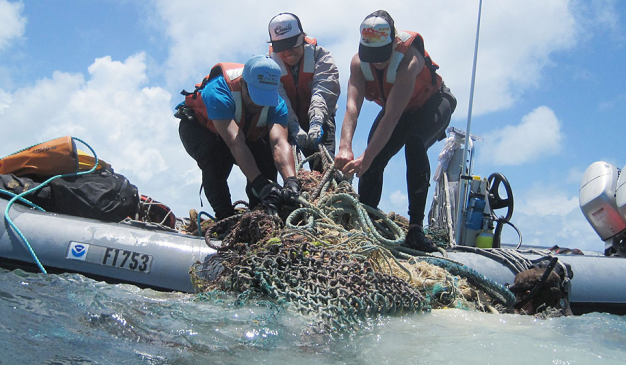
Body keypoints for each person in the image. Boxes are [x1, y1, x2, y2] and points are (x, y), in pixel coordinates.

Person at [335, 10, 457, 251]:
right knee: (373, 154)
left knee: (413, 142)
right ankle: (367, 223)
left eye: (382, 53)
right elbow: (351, 108)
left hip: (432, 102)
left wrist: (365, 158)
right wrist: (345, 146)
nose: (377, 61)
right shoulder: (358, 64)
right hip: (399, 109)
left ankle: (415, 230)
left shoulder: (410, 59)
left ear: (393, 41)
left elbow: (390, 118)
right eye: (372, 54)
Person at [176, 55, 301, 220]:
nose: (259, 104)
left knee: (266, 160)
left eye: (264, 98)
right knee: (215, 157)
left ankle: (261, 212)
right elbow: (235, 142)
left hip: (246, 133)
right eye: (255, 96)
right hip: (202, 129)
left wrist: (291, 181)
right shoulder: (218, 92)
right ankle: (225, 217)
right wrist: (259, 183)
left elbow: (279, 143)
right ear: (243, 83)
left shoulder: (277, 104)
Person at [267, 12, 340, 172]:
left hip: (320, 120)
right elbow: (278, 97)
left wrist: (316, 122)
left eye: (292, 45)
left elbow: (324, 89)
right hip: (286, 122)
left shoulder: (321, 56)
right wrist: (293, 126)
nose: (287, 52)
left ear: (302, 38)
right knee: (285, 169)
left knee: (323, 168)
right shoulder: (269, 66)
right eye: (282, 47)